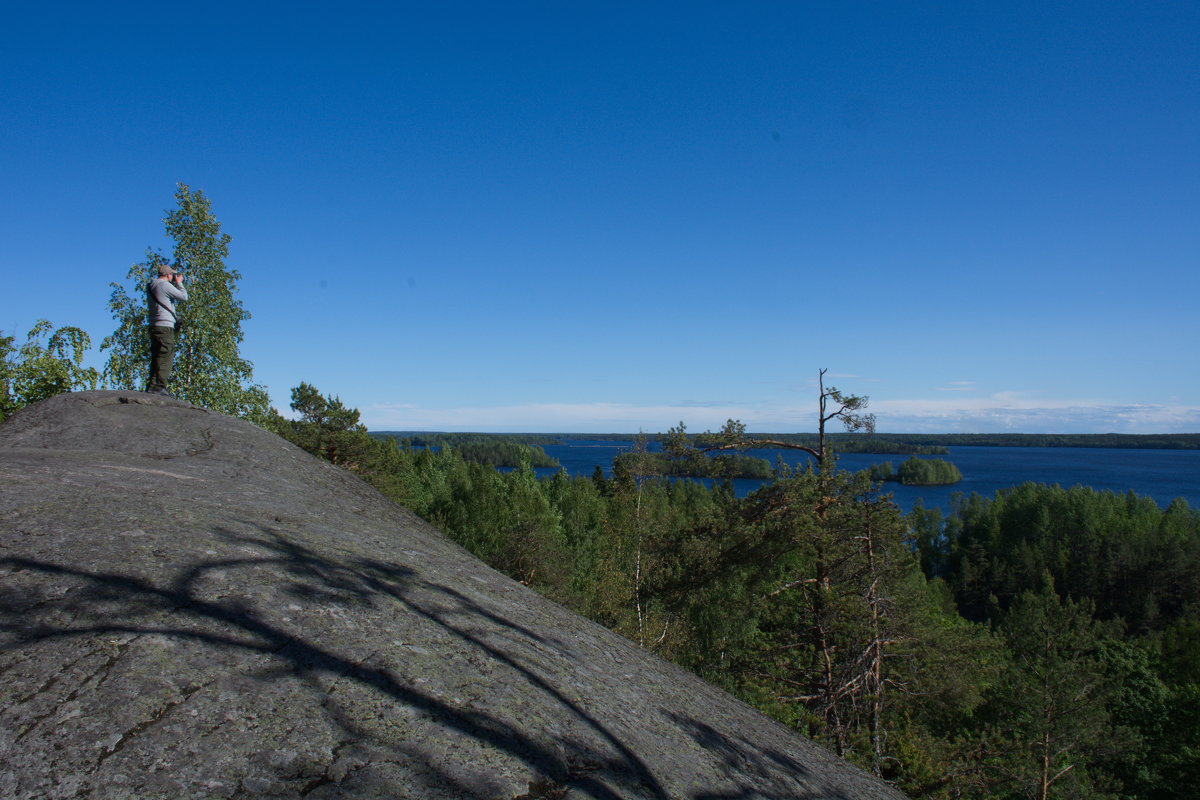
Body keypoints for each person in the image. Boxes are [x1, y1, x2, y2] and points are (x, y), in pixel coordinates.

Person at [146, 262, 188, 396]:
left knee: (157, 356)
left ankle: (152, 386)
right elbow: (184, 297)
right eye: (172, 274)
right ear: (169, 274)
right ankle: (158, 387)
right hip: (165, 326)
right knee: (166, 356)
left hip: (154, 325)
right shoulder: (164, 285)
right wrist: (180, 283)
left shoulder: (151, 286)